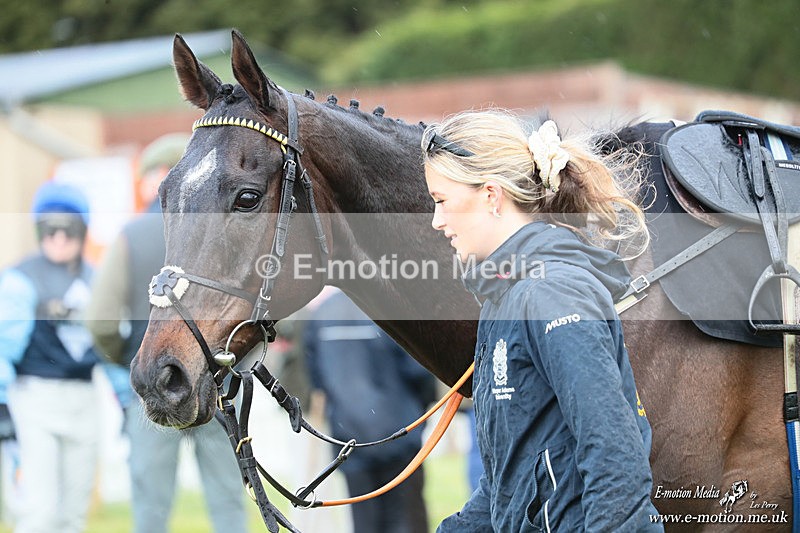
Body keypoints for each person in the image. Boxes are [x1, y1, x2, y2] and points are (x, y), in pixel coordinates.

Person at [422, 110, 662, 532]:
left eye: (441, 201)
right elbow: (509, 486)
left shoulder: (552, 293)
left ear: (492, 196)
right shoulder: (505, 296)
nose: (437, 221)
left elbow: (617, 459)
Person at [85, 133, 249, 533]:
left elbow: (100, 321)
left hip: (155, 391)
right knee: (228, 501)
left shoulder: (129, 236)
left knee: (151, 507)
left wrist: (131, 360)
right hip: (219, 381)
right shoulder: (225, 230)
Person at [0, 181, 101, 533]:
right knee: (40, 512)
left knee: (72, 515)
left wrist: (123, 398)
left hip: (85, 401)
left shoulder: (96, 279)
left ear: (83, 232)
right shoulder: (19, 280)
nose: (59, 238)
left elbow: (109, 345)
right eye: (49, 229)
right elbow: (2, 348)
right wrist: (1, 405)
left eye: (68, 230)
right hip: (34, 400)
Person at [303, 289, 436, 533]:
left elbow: (317, 379)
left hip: (349, 438)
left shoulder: (322, 312)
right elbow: (420, 370)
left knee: (365, 523)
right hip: (398, 432)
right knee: (407, 521)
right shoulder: (389, 307)